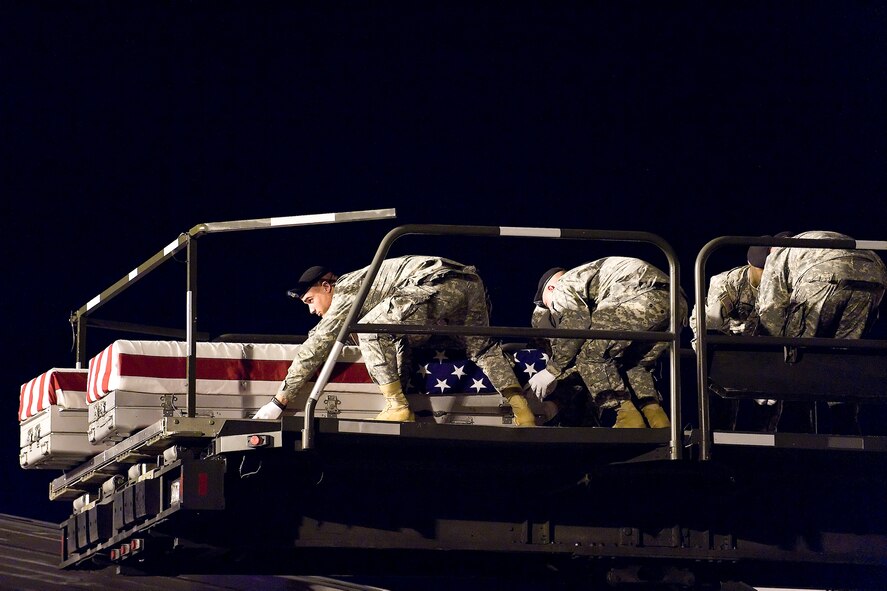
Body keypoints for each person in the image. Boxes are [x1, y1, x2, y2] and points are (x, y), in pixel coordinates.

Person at [253, 255, 537, 426]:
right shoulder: (363, 288)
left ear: (327, 286)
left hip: (434, 282)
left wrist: (279, 401)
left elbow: (318, 345)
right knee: (481, 347)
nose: (311, 310)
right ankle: (523, 412)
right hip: (467, 282)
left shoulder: (346, 290)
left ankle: (398, 407)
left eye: (310, 300)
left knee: (369, 329)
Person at [524, 257, 688, 429]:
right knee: (635, 365)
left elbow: (576, 325)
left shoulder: (563, 285)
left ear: (550, 288)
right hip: (676, 302)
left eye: (549, 305)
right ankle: (656, 418)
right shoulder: (586, 278)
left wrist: (552, 370)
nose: (555, 311)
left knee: (589, 357)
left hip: (640, 297)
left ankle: (626, 415)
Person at [756, 230, 887, 435]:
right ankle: (846, 426)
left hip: (824, 276)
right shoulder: (815, 238)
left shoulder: (778, 252)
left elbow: (770, 309)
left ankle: (796, 428)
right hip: (874, 275)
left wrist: (769, 357)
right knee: (843, 354)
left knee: (797, 350)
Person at [689, 232, 791, 432]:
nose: (769, 276)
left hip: (760, 344)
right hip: (725, 342)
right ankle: (718, 440)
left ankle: (764, 440)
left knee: (769, 399)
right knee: (721, 389)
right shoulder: (728, 282)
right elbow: (712, 325)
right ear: (750, 265)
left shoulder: (781, 284)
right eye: (763, 270)